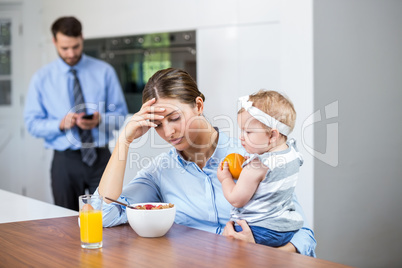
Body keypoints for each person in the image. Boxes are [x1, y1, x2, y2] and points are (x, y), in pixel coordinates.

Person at [95, 68, 316, 256]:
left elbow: (304, 236)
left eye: (174, 118)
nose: (169, 132)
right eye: (157, 125)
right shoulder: (160, 172)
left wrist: (259, 252)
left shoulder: (255, 157)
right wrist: (124, 141)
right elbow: (104, 215)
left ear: (198, 105)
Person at [24, 17, 128, 211]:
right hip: (65, 161)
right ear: (54, 41)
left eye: (76, 46)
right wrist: (60, 124)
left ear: (82, 38)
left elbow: (121, 115)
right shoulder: (41, 78)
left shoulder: (105, 72)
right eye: (64, 48)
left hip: (101, 158)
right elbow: (31, 123)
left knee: (110, 215)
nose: (71, 53)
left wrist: (100, 120)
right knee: (65, 221)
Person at [217, 90, 304, 247]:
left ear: (272, 136)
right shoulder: (293, 153)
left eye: (248, 131)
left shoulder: (257, 166)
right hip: (286, 229)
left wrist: (226, 179)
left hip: (258, 230)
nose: (241, 137)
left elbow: (236, 199)